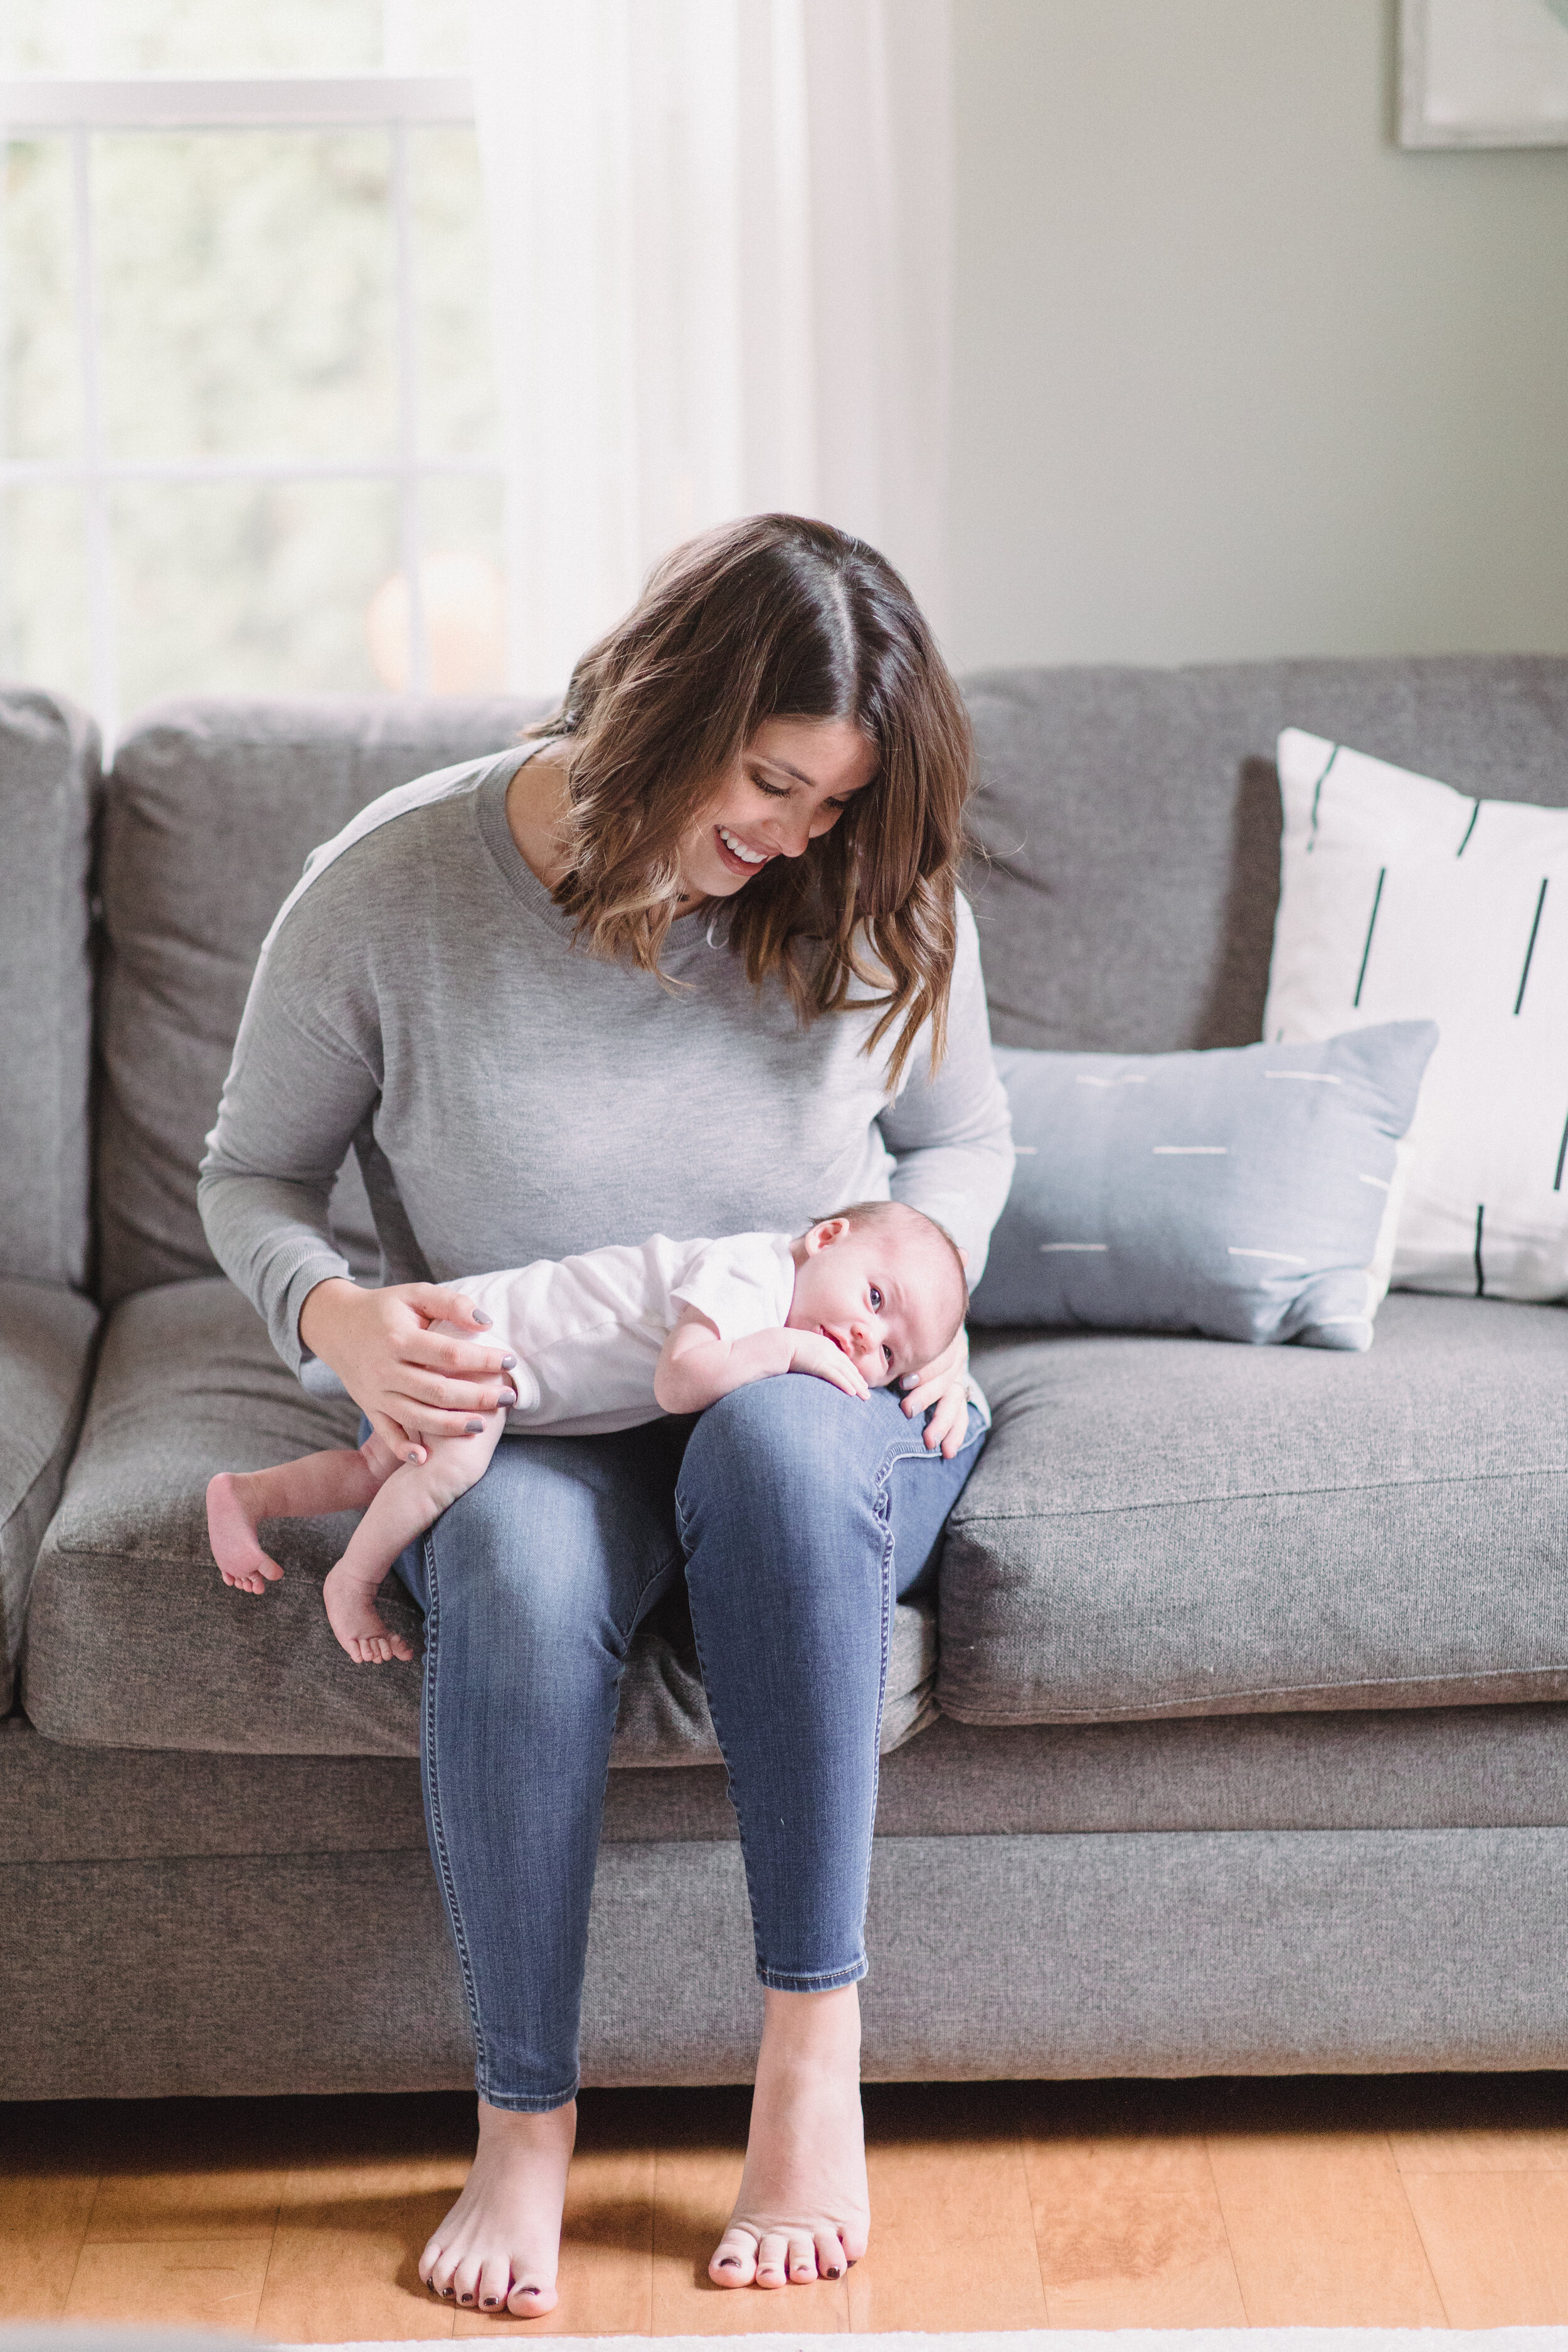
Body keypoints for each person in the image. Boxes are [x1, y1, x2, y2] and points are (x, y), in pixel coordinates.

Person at [198, 514, 1013, 2314]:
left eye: (833, 805)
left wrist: (918, 1294)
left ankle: (809, 2059)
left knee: (786, 1442)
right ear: (666, 703)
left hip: (806, 1394)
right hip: (539, 1423)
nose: (793, 838)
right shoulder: (395, 887)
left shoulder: (859, 883)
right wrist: (335, 1310)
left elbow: (959, 1139)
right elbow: (252, 1173)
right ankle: (523, 2120)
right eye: (772, 783)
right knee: (501, 1554)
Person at [207, 1200, 968, 1665]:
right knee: (447, 1470)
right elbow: (680, 1381)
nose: (868, 1338)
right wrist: (790, 1349)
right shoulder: (754, 1275)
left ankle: (249, 1496)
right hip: (485, 1346)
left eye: (892, 1351)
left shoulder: (785, 1288)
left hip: (495, 1350)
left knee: (380, 1466)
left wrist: (937, 1348)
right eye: (873, 1297)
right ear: (825, 1237)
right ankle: (354, 1580)